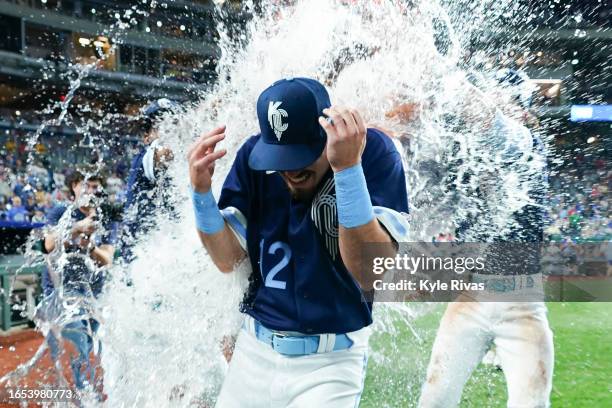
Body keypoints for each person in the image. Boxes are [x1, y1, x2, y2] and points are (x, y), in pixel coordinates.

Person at [188, 77, 409, 407]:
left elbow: (370, 274)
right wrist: (201, 195)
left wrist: (347, 169)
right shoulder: (254, 157)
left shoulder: (370, 151)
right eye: (280, 157)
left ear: (329, 132)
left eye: (300, 153)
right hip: (254, 352)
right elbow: (227, 261)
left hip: (330, 362)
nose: (289, 169)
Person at [418, 69, 553, 408]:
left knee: (531, 404)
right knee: (434, 399)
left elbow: (489, 124)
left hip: (521, 299)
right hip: (471, 295)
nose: (493, 100)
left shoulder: (527, 143)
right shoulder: (465, 152)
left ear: (522, 110)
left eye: (501, 96)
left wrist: (437, 68)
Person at [41, 171, 116, 391]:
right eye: (86, 185)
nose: (91, 191)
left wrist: (90, 247)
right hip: (63, 292)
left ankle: (80, 392)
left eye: (95, 187)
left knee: (88, 348)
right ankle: (87, 397)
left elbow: (107, 260)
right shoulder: (60, 212)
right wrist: (76, 229)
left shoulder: (105, 218)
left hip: (93, 294)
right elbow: (48, 245)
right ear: (74, 186)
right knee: (81, 346)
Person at [122, 98, 176, 260]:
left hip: (163, 254)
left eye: (173, 123)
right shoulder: (143, 158)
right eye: (160, 126)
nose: (168, 130)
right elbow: (160, 155)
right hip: (138, 258)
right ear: (146, 137)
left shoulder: (175, 169)